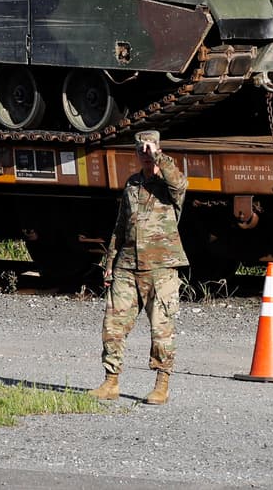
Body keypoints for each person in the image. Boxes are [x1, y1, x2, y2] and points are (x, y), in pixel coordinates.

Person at [88, 129, 188, 405]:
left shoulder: (169, 184)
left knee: (161, 329)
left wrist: (158, 156)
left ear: (158, 149)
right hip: (127, 267)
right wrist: (110, 263)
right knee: (113, 325)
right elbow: (120, 227)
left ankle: (162, 385)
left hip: (161, 268)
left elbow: (178, 183)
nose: (145, 153)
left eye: (151, 148)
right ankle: (111, 382)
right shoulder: (132, 184)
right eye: (141, 149)